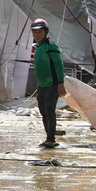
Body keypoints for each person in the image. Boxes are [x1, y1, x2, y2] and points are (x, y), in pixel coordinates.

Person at [30, 19, 67, 148]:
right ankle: (48, 137)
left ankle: (51, 139)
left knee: (49, 110)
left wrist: (60, 83)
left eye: (40, 32)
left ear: (45, 32)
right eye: (35, 32)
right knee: (42, 111)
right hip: (41, 85)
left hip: (52, 84)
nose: (37, 34)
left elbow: (58, 64)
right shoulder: (38, 47)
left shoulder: (51, 46)